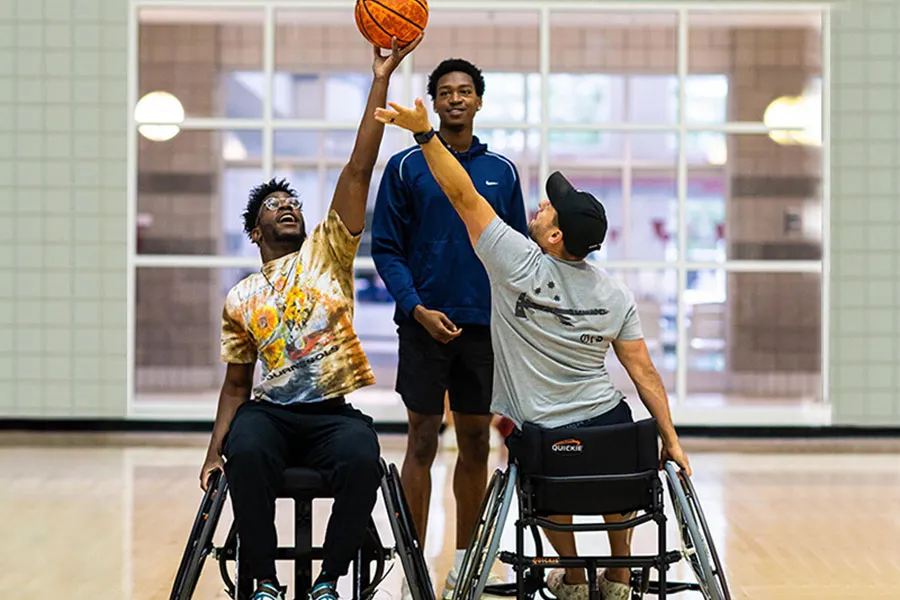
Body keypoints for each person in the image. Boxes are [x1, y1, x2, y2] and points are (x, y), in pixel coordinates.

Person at [374, 98, 693, 600]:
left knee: (546, 470)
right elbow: (644, 374)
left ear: (556, 234)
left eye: (549, 208)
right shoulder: (613, 294)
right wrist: (671, 440)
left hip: (547, 436)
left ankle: (570, 571)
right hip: (610, 427)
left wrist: (424, 136)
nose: (540, 206)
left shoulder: (516, 263)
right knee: (620, 460)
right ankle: (619, 571)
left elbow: (461, 193)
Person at [198, 36, 421, 600]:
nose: (289, 207)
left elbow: (358, 167)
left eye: (293, 202)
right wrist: (212, 447)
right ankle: (266, 582)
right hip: (268, 416)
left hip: (330, 415)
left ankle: (327, 582)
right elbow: (234, 386)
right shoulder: (242, 296)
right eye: (276, 206)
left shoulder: (328, 252)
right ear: (255, 231)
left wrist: (381, 79)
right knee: (244, 450)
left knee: (361, 456)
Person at [370, 57, 528, 599]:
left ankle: (468, 562)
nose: (455, 99)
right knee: (419, 442)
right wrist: (416, 308)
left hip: (483, 331)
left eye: (465, 91)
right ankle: (413, 564)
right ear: (432, 104)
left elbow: (515, 255)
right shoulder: (405, 167)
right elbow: (386, 249)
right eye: (445, 92)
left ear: (479, 102)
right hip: (421, 327)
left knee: (478, 446)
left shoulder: (502, 172)